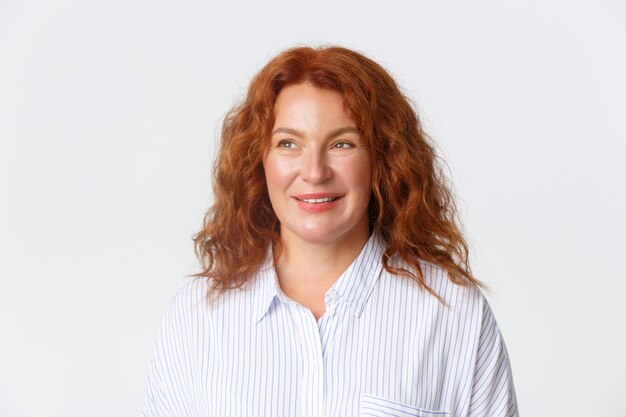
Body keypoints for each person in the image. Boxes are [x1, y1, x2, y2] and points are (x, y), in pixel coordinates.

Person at [139, 46, 519, 417]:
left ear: (383, 160)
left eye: (342, 144)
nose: (315, 172)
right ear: (259, 160)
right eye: (289, 143)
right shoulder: (198, 315)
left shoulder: (451, 312)